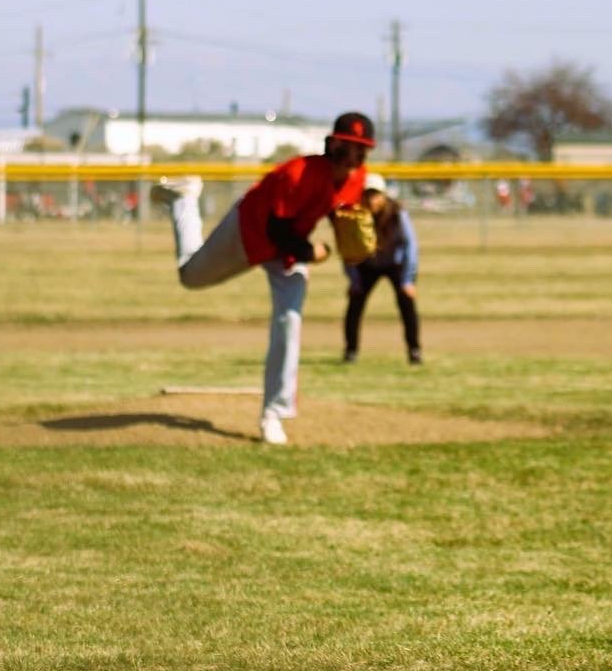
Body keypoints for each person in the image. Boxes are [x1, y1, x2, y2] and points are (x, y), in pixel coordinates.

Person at [158, 111, 374, 445]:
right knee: (190, 276)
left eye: (361, 151)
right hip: (251, 231)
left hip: (288, 252)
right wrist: (313, 252)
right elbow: (277, 229)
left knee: (290, 321)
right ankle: (184, 199)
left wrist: (347, 242)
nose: (353, 157)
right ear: (332, 144)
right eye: (347, 147)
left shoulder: (357, 179)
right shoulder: (297, 173)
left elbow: (335, 211)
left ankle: (274, 413)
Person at [342, 176, 422, 365]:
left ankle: (414, 350)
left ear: (383, 196)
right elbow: (348, 247)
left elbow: (410, 244)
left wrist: (408, 280)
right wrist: (354, 280)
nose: (371, 200)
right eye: (367, 195)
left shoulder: (397, 213)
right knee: (355, 304)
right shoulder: (355, 214)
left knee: (407, 304)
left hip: (395, 264)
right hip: (366, 266)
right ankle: (350, 351)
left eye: (375, 195)